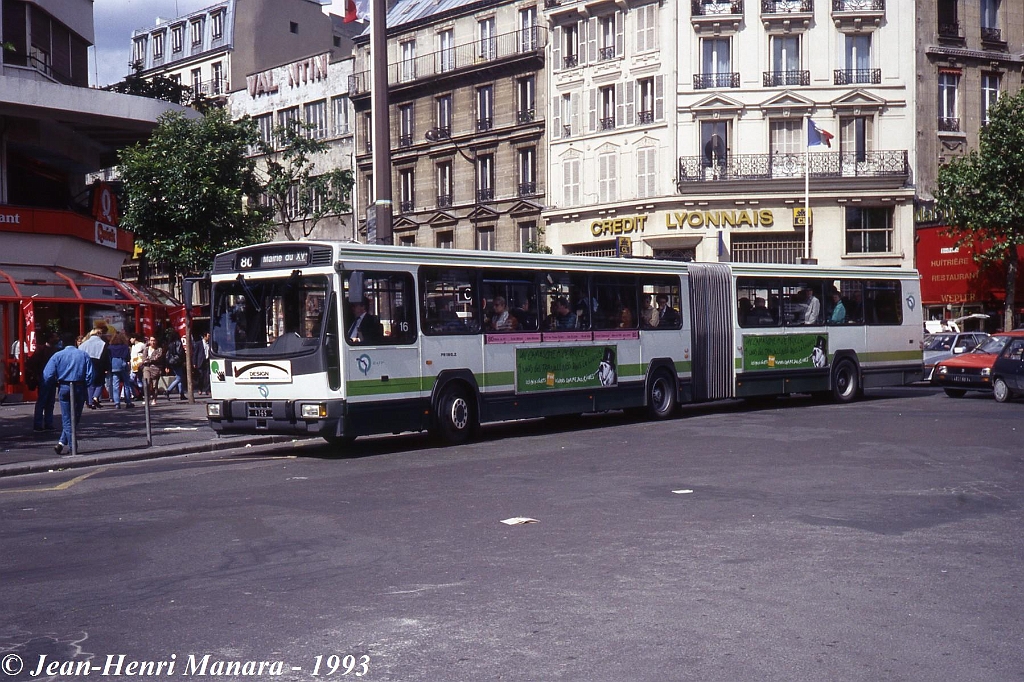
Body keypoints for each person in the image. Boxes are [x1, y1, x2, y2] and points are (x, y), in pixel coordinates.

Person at [41, 336, 95, 455]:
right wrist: (85, 384)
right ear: (75, 342)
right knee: (75, 417)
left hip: (64, 386)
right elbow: (90, 375)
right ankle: (72, 445)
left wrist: (52, 383)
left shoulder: (57, 355)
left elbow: (47, 374)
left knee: (66, 418)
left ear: (62, 344)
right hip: (79, 386)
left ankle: (62, 442)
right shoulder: (83, 355)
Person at [26, 331, 60, 432]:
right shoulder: (41, 350)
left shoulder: (54, 350)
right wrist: (37, 375)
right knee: (43, 401)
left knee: (50, 402)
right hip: (44, 378)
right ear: (49, 339)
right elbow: (32, 364)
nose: (57, 339)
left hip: (51, 379)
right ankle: (39, 424)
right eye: (55, 337)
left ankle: (47, 423)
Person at [78, 328, 109, 409]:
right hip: (99, 364)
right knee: (100, 383)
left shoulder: (84, 344)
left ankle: (90, 401)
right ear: (99, 334)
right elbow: (106, 357)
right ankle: (95, 397)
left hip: (88, 363)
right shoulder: (103, 344)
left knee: (90, 383)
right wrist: (107, 367)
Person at [107, 332, 134, 409]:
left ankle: (117, 403)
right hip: (123, 364)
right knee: (126, 384)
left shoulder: (110, 347)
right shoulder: (125, 347)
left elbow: (108, 357)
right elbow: (128, 357)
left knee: (115, 385)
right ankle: (128, 402)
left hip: (114, 365)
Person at [141, 336, 165, 406]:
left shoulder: (159, 349)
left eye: (154, 340)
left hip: (156, 368)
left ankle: (154, 399)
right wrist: (148, 360)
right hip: (147, 368)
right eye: (151, 340)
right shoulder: (146, 349)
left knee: (155, 385)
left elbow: (157, 358)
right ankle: (146, 398)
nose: (153, 342)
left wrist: (149, 359)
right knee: (147, 383)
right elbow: (144, 359)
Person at [163, 334, 187, 401]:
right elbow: (180, 352)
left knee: (179, 377)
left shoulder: (169, 344)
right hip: (177, 361)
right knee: (179, 378)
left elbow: (167, 355)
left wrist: (167, 365)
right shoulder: (178, 343)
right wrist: (183, 359)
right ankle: (168, 390)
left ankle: (181, 394)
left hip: (171, 362)